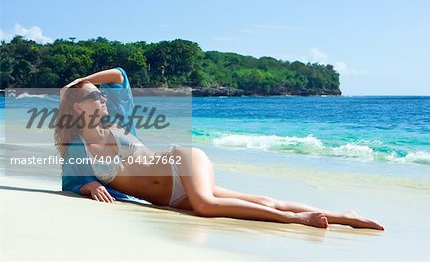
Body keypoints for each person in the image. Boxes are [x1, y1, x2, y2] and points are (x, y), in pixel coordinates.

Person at [56, 67, 384, 230]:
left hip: (180, 162)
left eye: (101, 94)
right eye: (93, 96)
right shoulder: (77, 147)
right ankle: (345, 216)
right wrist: (89, 184)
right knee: (260, 200)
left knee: (207, 205)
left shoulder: (120, 122)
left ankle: (296, 218)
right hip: (170, 196)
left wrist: (76, 83)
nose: (102, 98)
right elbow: (73, 180)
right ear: (78, 108)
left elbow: (120, 75)